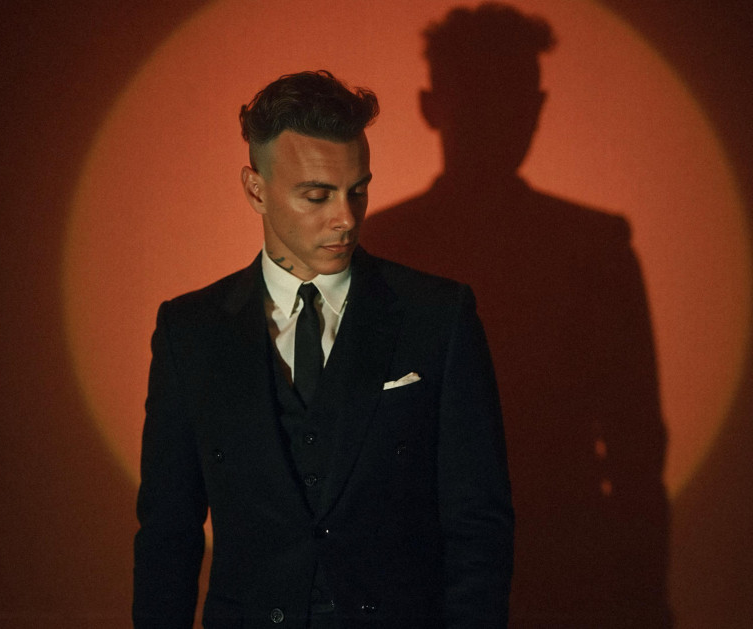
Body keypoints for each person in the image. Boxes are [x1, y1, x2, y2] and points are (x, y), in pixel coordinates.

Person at [133, 70, 513, 629]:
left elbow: (478, 521)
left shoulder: (439, 315)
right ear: (255, 190)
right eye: (317, 195)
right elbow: (168, 530)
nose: (346, 218)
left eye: (358, 190)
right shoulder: (189, 331)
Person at [364, 5, 672, 628]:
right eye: (484, 99)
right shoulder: (593, 247)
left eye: (509, 99)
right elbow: (636, 447)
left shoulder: (381, 251)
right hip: (552, 570)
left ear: (429, 107)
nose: (500, 119)